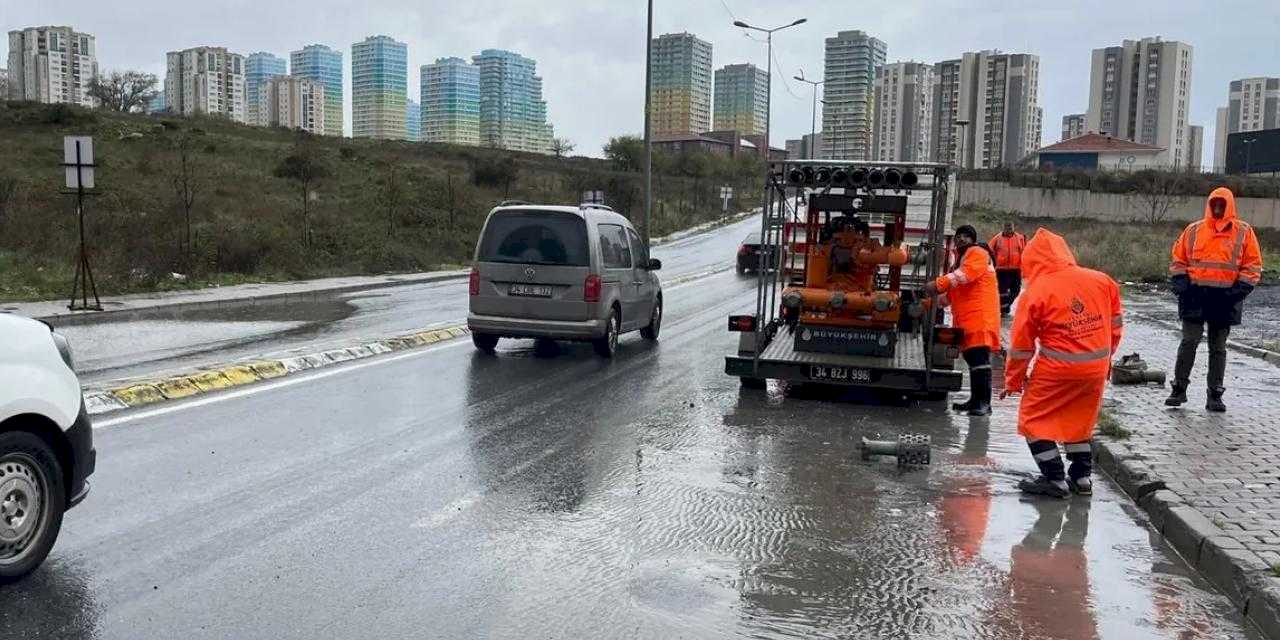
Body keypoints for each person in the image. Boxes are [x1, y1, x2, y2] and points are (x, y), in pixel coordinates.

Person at [1004, 229, 1123, 498]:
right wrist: (1105, 359)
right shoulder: (1102, 281)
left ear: (1031, 260)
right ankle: (1081, 479)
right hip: (1095, 368)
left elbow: (1022, 345)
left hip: (1057, 369)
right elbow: (1114, 326)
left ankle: (1054, 479)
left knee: (1032, 420)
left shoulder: (1036, 292)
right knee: (1079, 421)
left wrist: (1013, 380)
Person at [1166, 187, 1263, 412]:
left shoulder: (1243, 232)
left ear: (1229, 206)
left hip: (1225, 298)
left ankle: (1215, 394)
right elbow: (1178, 259)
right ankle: (1179, 389)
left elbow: (1252, 265)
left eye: (1222, 204)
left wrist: (1237, 292)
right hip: (1195, 296)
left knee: (1218, 347)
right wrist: (1182, 285)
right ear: (1209, 205)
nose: (1218, 207)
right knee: (1189, 342)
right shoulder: (1194, 230)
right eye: (1214, 204)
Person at [923, 225, 1001, 416]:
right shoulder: (963, 259)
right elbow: (950, 295)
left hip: (979, 317)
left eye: (966, 236)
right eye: (958, 236)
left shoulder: (977, 253)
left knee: (980, 360)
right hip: (969, 319)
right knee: (973, 360)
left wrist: (937, 284)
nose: (960, 239)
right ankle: (976, 400)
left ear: (973, 240)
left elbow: (964, 276)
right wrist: (926, 304)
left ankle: (983, 403)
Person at [989, 222, 1028, 315]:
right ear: (1003, 228)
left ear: (1013, 227)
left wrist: (1025, 266)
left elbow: (1025, 251)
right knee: (1002, 292)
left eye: (1010, 227)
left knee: (1016, 290)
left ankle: (1002, 307)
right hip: (1001, 270)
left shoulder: (1020, 238)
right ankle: (1003, 311)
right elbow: (989, 249)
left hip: (1016, 269)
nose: (1008, 229)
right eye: (1007, 227)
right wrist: (991, 260)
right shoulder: (997, 238)